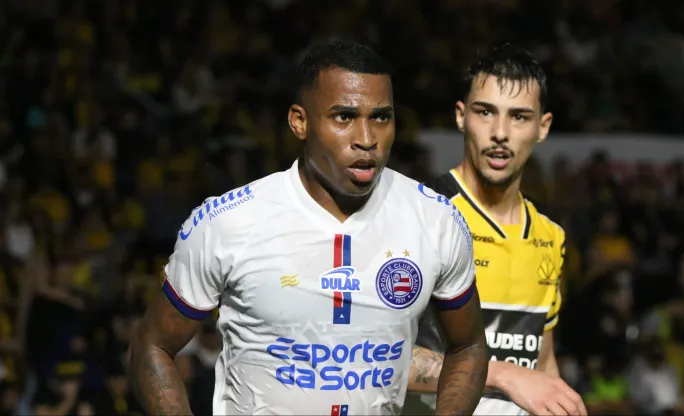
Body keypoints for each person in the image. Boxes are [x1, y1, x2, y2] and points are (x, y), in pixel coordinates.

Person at [128, 39, 488, 415]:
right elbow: (151, 347)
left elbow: (469, 347)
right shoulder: (230, 222)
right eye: (344, 117)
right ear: (299, 121)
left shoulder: (436, 221)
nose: (367, 139)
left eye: (381, 116)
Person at [406, 44, 587, 415]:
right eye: (485, 112)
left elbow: (541, 364)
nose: (500, 132)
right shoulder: (421, 217)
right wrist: (502, 374)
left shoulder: (550, 237)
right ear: (461, 116)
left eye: (519, 117)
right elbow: (376, 358)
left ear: (543, 127)